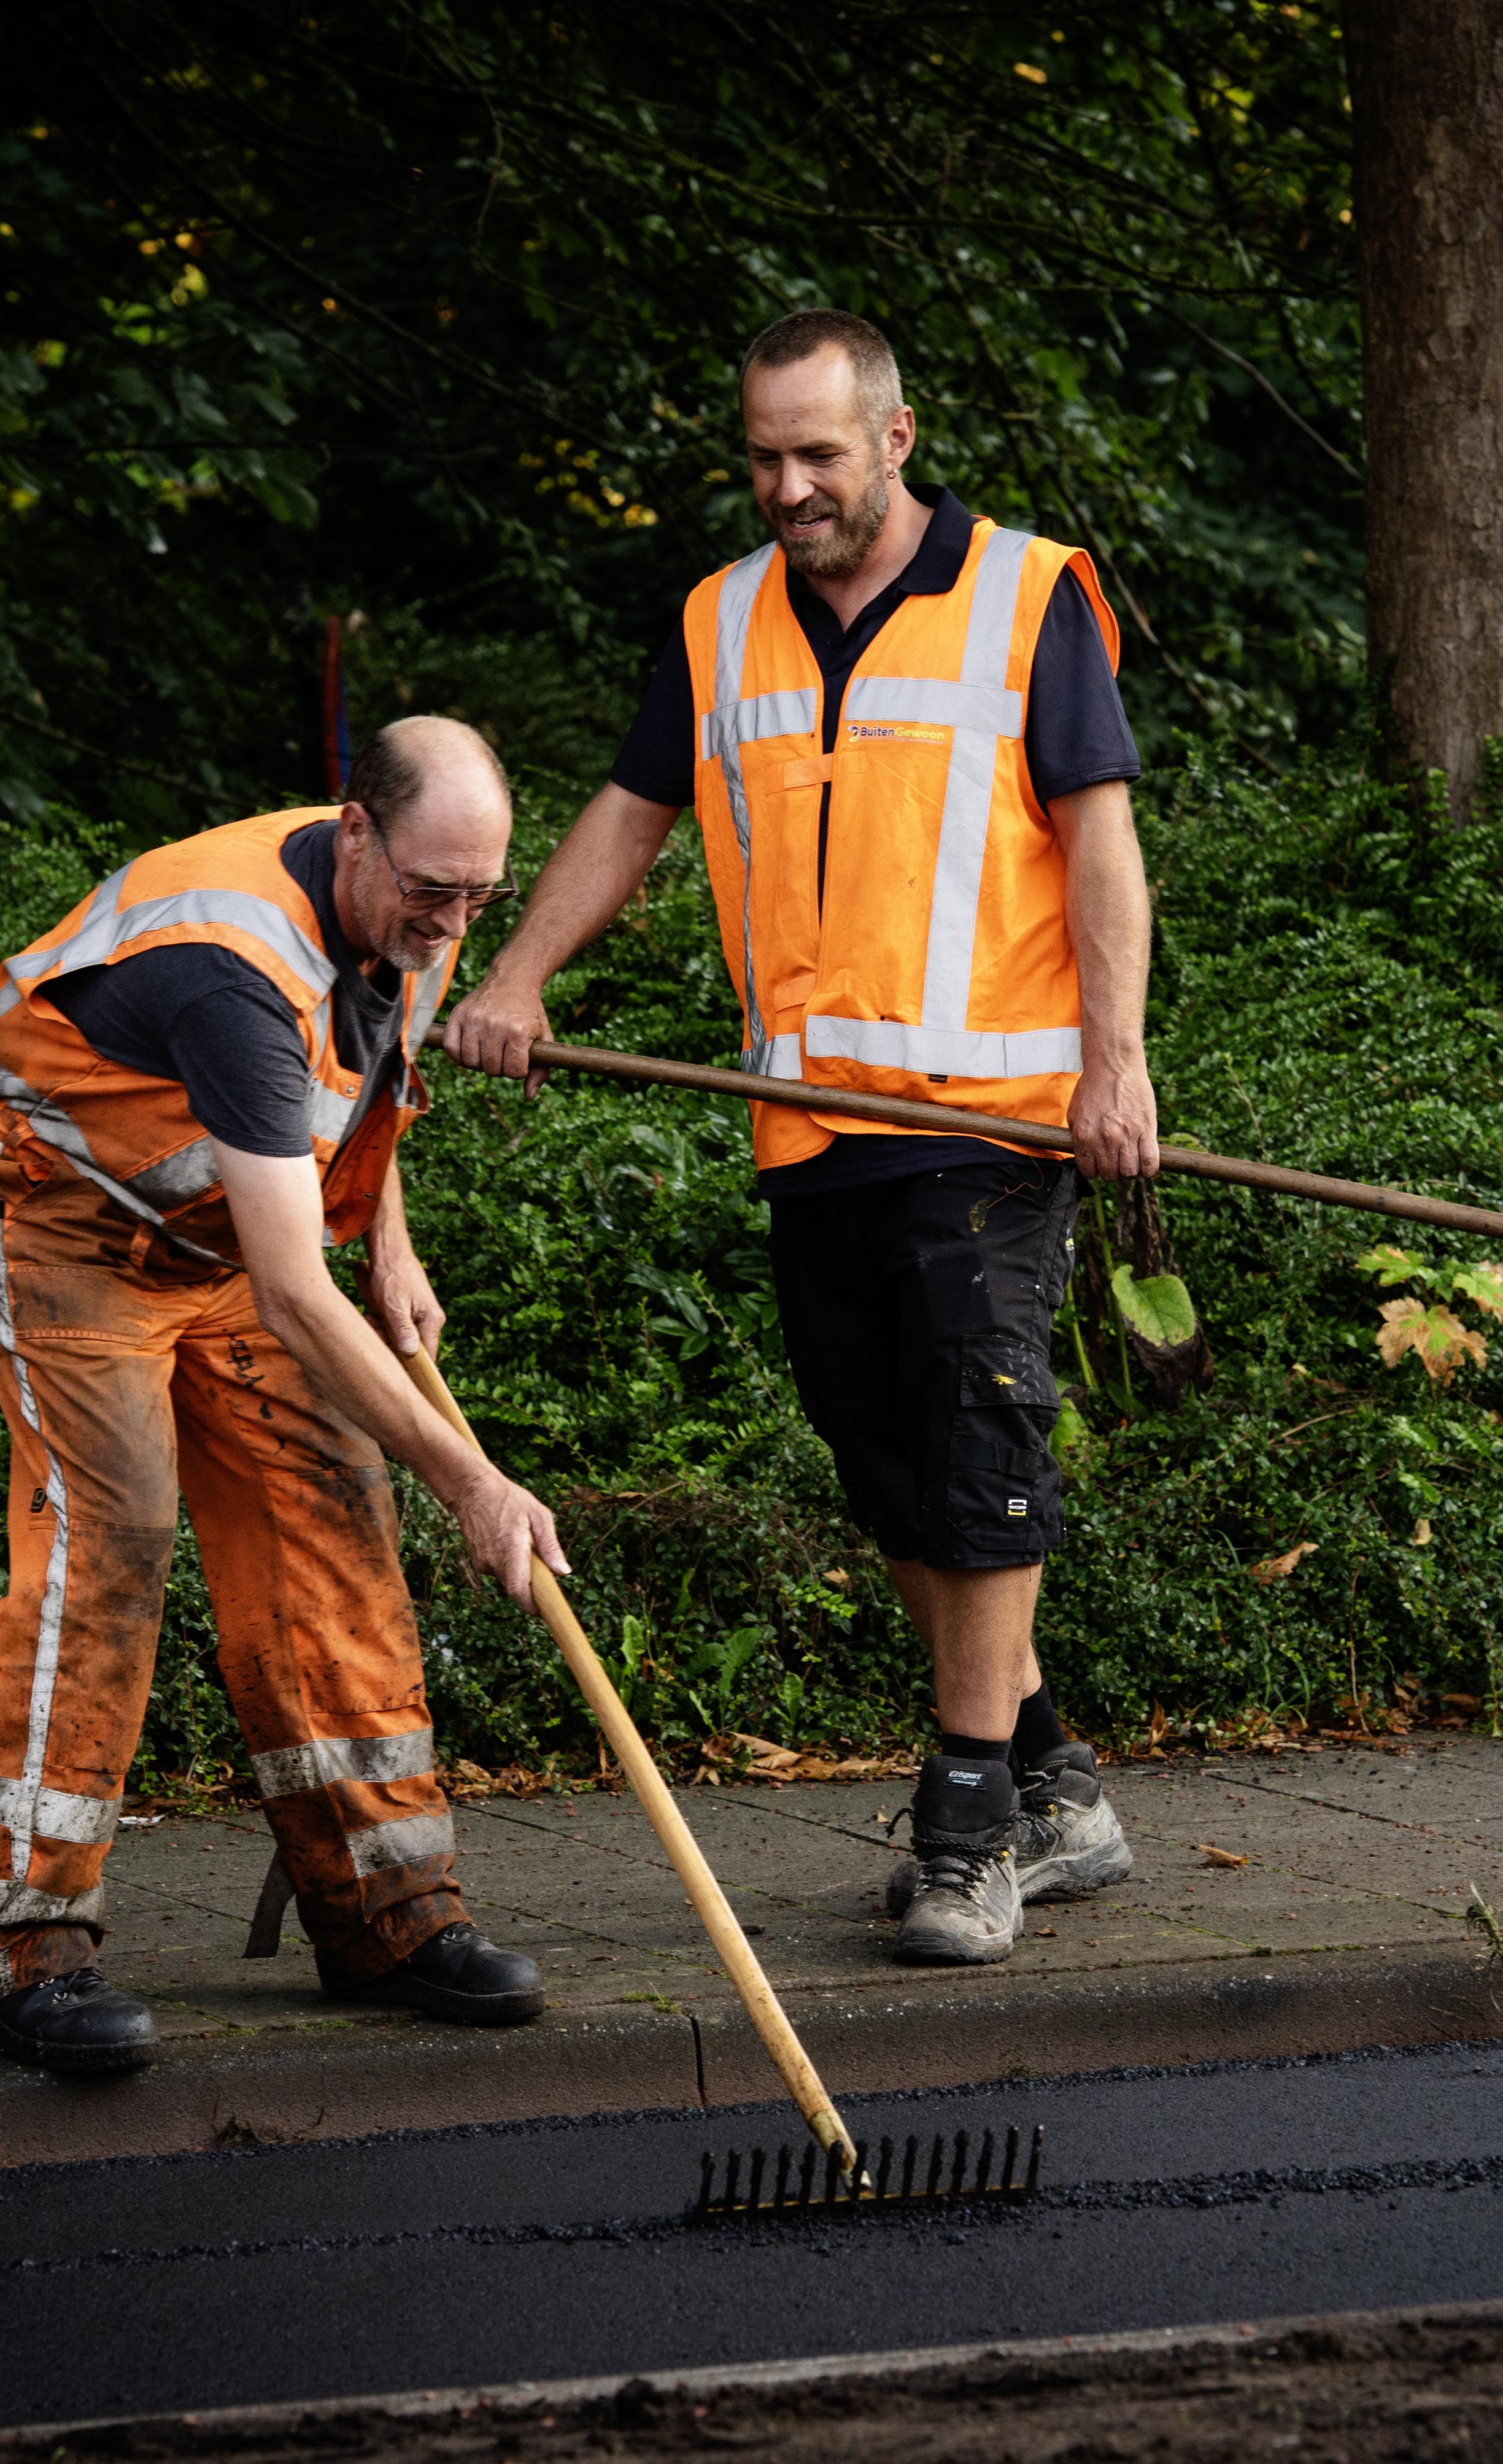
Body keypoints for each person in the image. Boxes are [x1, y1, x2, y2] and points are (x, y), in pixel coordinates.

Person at [445, 308, 1156, 1967]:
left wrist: (1116, 1064)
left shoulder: (1028, 595)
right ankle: (1058, 1789)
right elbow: (636, 810)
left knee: (983, 1445)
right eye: (765, 456)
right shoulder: (718, 621)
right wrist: (522, 977)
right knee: (883, 1455)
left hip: (988, 1121)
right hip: (806, 1128)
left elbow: (1101, 844)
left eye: (819, 454)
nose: (789, 486)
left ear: (896, 439)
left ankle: (968, 1821)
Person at [0, 716, 570, 2071]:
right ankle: (19, 1946)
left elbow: (357, 1086)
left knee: (331, 1505)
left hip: (221, 1227)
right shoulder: (229, 965)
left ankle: (383, 1912)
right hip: (60, 1213)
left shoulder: (413, 895)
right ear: (356, 832)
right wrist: (475, 1480)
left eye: (476, 898)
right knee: (117, 1533)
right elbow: (293, 1290)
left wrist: (388, 1241)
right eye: (430, 893)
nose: (450, 921)